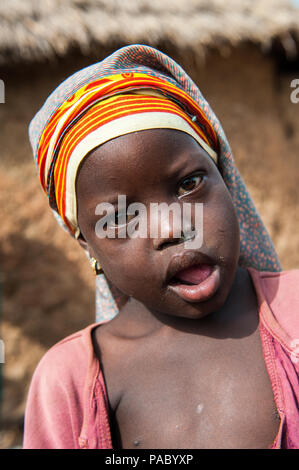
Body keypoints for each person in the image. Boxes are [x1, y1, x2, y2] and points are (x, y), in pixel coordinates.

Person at [23, 45, 299, 449]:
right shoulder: (67, 383)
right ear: (87, 244)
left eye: (189, 185)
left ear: (226, 181)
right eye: (119, 218)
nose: (172, 229)